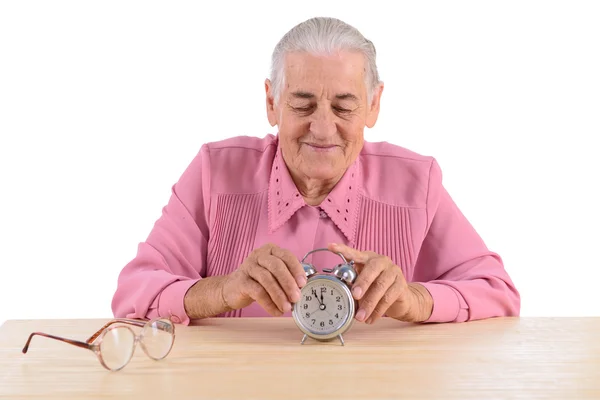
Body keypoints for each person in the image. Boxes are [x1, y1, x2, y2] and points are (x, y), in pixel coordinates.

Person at [111, 17, 520, 326]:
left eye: (344, 107)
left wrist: (414, 300)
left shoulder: (418, 182)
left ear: (374, 105)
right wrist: (222, 290)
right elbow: (132, 293)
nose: (323, 129)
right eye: (303, 105)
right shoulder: (213, 171)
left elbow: (498, 292)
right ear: (271, 103)